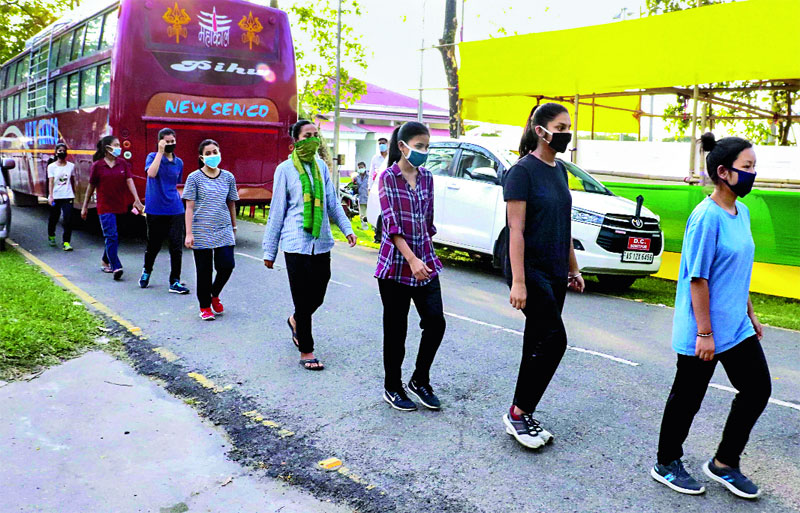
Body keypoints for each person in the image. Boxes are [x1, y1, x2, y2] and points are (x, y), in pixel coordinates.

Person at [650, 133, 769, 500]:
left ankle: (724, 463)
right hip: (703, 330)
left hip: (734, 325)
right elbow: (697, 278)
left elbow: (736, 269)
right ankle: (666, 462)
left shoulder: (742, 212)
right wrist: (704, 333)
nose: (753, 174)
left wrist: (749, 311)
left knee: (757, 389)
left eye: (754, 167)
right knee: (687, 398)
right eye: (746, 168)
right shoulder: (705, 217)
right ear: (723, 171)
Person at [502, 103, 585, 448]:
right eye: (561, 126)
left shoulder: (559, 170)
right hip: (530, 270)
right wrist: (519, 281)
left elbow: (564, 225)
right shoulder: (522, 172)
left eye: (569, 126)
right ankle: (518, 413)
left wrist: (573, 267)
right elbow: (515, 230)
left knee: (536, 341)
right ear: (541, 130)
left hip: (554, 269)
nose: (567, 132)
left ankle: (522, 411)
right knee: (554, 340)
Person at [262, 120, 357, 371]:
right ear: (296, 140)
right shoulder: (284, 170)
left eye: (316, 135)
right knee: (303, 298)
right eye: (307, 135)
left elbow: (333, 202)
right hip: (295, 243)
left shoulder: (322, 168)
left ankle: (295, 320)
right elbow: (277, 211)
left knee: (319, 294)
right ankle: (307, 350)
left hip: (322, 241)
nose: (313, 139)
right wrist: (269, 250)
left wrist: (347, 229)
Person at [375, 122, 446, 412]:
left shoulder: (428, 178)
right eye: (419, 146)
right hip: (395, 266)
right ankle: (393, 386)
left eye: (427, 147)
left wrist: (424, 253)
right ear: (402, 147)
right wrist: (411, 259)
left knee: (436, 323)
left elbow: (427, 220)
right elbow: (390, 225)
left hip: (425, 262)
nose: (424, 152)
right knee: (396, 330)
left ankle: (420, 380)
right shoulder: (388, 178)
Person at [183, 139, 239, 320]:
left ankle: (214, 293)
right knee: (204, 271)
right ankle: (205, 306)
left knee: (227, 265)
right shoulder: (194, 178)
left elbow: (231, 202)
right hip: (201, 230)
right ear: (201, 157)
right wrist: (189, 233)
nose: (212, 156)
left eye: (215, 151)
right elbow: (189, 207)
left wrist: (234, 225)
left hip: (223, 228)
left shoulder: (228, 177)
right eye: (208, 153)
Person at [81, 135, 144, 281]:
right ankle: (116, 266)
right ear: (108, 148)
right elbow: (91, 187)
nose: (119, 148)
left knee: (114, 236)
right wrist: (84, 206)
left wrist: (136, 199)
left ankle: (105, 259)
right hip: (104, 206)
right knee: (111, 235)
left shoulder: (122, 164)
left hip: (120, 205)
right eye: (116, 145)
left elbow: (130, 181)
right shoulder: (97, 166)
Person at [140, 128, 189, 294]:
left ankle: (174, 280)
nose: (170, 144)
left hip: (174, 208)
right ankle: (147, 271)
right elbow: (151, 174)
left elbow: (177, 183)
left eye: (172, 141)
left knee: (176, 246)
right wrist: (160, 152)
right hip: (155, 208)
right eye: (167, 141)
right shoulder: (152, 157)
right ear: (160, 142)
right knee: (154, 244)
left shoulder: (179, 162)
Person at [47, 143, 75, 251]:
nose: (61, 152)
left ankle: (66, 242)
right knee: (54, 217)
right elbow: (50, 182)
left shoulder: (71, 166)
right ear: (56, 152)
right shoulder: (51, 167)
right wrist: (51, 196)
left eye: (64, 150)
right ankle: (51, 235)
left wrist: (74, 193)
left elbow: (72, 180)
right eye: (59, 151)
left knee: (68, 219)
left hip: (67, 195)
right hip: (56, 196)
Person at [369, 138, 389, 243]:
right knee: (380, 212)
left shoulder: (391, 157)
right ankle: (378, 235)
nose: (382, 145)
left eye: (383, 143)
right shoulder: (375, 158)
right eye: (380, 144)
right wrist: (370, 187)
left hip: (388, 188)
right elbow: (371, 173)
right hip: (378, 188)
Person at [352, 161, 370, 230]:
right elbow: (353, 183)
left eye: (362, 167)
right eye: (359, 168)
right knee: (362, 214)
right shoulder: (357, 177)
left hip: (368, 197)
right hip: (361, 197)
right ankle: (364, 227)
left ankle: (374, 227)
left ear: (365, 167)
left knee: (370, 213)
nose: (361, 169)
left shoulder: (369, 176)